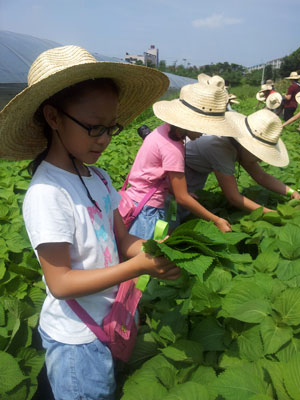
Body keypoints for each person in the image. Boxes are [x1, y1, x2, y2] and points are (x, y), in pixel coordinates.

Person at [0, 45, 182, 400]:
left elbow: (121, 239)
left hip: (106, 321)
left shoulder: (97, 177)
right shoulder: (48, 193)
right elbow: (61, 284)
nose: (105, 139)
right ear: (53, 117)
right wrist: (137, 268)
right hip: (75, 342)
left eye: (111, 127)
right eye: (94, 128)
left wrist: (156, 253)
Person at [124, 75, 241, 238]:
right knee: (152, 254)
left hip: (143, 200)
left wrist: (179, 191)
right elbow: (182, 198)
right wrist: (216, 220)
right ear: (188, 122)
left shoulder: (163, 131)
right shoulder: (173, 148)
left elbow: (164, 179)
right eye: (203, 126)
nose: (203, 132)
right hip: (149, 211)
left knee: (164, 237)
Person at [185, 108, 300, 215]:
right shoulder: (221, 149)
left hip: (198, 169)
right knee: (178, 210)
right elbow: (233, 198)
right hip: (180, 171)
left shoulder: (238, 146)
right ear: (247, 146)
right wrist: (272, 213)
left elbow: (261, 176)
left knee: (191, 204)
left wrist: (292, 193)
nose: (260, 160)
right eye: (259, 154)